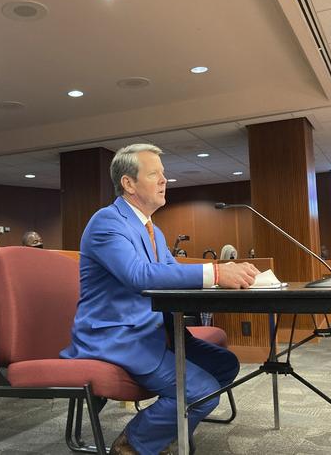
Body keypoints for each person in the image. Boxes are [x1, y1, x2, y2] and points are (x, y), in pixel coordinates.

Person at [60, 143, 259, 455]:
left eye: (163, 174)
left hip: (154, 330)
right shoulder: (107, 222)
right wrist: (216, 275)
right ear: (128, 183)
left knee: (224, 365)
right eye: (155, 175)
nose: (165, 180)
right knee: (202, 391)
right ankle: (133, 445)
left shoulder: (154, 229)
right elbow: (139, 276)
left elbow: (170, 274)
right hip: (117, 336)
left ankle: (165, 432)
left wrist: (224, 278)